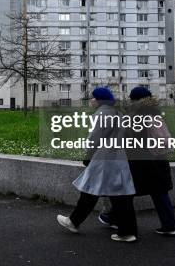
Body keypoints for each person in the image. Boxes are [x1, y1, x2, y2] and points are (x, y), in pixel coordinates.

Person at [56, 87, 138, 242]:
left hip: (103, 159)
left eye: (93, 98)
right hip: (118, 158)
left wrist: (88, 155)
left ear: (100, 99)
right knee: (117, 194)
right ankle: (125, 228)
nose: (91, 100)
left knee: (90, 190)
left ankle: (74, 222)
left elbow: (94, 139)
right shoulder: (118, 113)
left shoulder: (101, 114)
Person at [98, 86, 175, 236]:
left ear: (134, 99)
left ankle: (117, 221)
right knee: (160, 194)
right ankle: (170, 225)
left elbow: (130, 137)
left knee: (124, 193)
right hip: (159, 159)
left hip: (142, 162)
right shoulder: (156, 111)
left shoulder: (137, 114)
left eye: (131, 98)